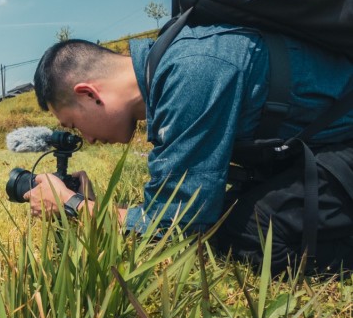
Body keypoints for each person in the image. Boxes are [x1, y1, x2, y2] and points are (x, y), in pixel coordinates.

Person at [24, 25, 353, 273]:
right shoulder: (172, 67)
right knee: (229, 210)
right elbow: (184, 202)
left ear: (89, 94)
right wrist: (91, 205)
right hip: (323, 149)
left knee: (252, 233)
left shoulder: (191, 73)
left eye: (73, 124)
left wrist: (74, 207)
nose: (88, 139)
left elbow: (179, 227)